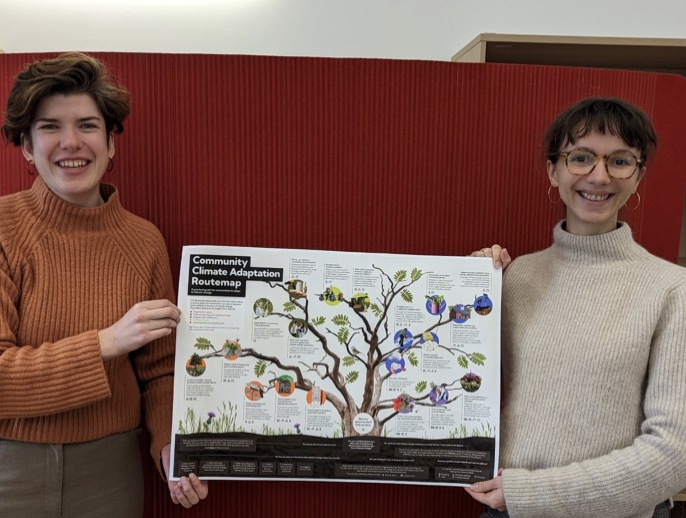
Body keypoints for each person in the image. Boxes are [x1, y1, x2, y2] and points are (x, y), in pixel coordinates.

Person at [0, 52, 207, 517]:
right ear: (27, 147)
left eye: (88, 125)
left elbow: (160, 371)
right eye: (50, 126)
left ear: (111, 143)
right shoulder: (2, 228)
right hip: (7, 471)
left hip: (111, 475)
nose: (71, 142)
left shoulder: (144, 240)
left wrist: (169, 445)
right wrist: (107, 342)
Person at [467, 97, 686, 518]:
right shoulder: (514, 278)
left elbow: (674, 454)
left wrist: (532, 493)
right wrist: (473, 288)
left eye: (620, 161)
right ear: (554, 170)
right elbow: (459, 382)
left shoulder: (671, 290)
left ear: (638, 176)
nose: (599, 176)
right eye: (581, 157)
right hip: (507, 509)